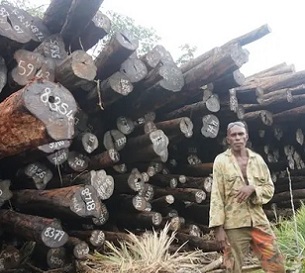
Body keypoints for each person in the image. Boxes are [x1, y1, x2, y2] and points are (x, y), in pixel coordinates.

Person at [209, 121, 285, 273]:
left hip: (258, 220)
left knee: (276, 264)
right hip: (234, 223)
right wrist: (218, 227)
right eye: (234, 135)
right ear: (228, 139)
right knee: (232, 267)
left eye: (240, 134)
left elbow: (269, 188)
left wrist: (254, 189)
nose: (237, 138)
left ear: (246, 137)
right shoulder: (221, 161)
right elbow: (217, 193)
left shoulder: (257, 160)